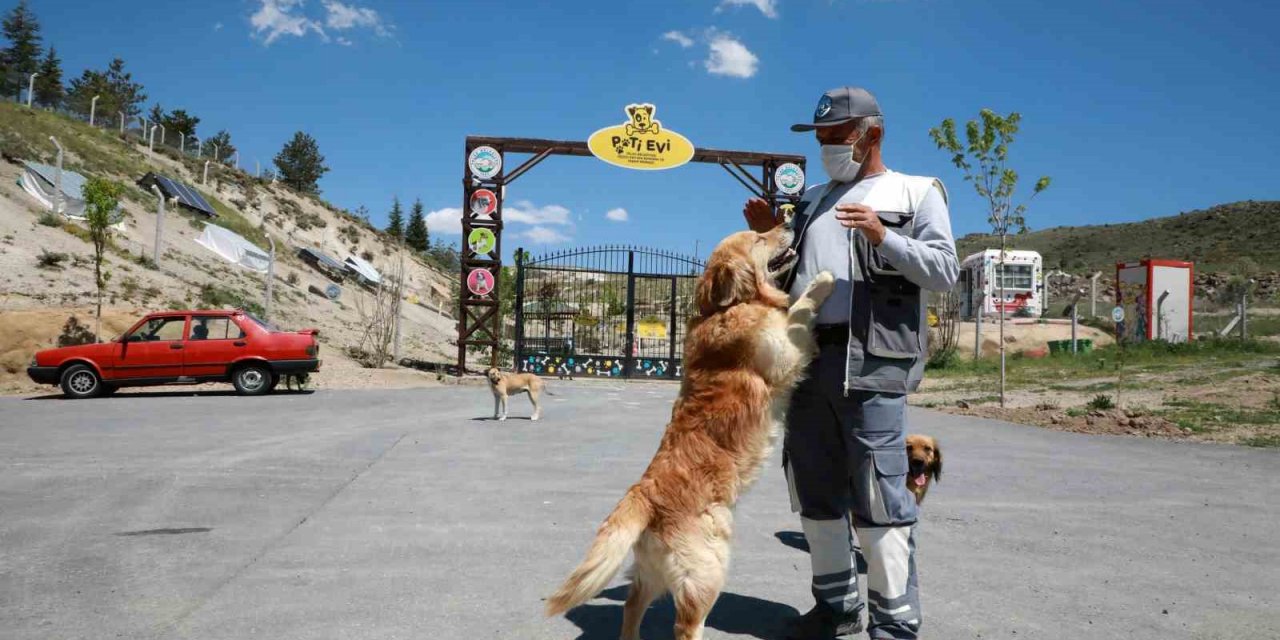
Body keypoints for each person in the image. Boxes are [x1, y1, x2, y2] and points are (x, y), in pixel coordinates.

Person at [744, 86, 959, 639]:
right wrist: (772, 234)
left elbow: (942, 271)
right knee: (814, 488)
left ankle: (894, 626)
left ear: (872, 134)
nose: (826, 146)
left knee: (880, 495)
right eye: (820, 138)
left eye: (836, 136)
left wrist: (883, 235)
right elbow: (789, 278)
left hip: (873, 362)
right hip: (808, 361)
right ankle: (835, 608)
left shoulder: (915, 192)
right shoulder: (813, 199)